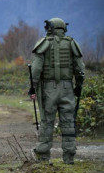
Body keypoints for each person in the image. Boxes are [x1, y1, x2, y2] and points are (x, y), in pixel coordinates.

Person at [28, 18, 85, 164]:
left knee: (47, 122)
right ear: (63, 29)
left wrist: (32, 87)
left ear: (50, 28)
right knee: (68, 122)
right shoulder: (72, 44)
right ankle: (69, 157)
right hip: (67, 89)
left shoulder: (43, 44)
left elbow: (35, 69)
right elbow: (80, 69)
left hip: (48, 89)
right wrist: (78, 86)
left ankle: (43, 156)